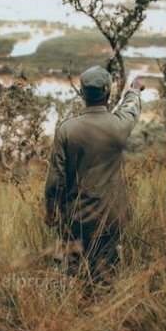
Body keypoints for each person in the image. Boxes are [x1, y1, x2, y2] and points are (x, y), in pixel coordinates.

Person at [44, 65, 144, 281]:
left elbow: (56, 178)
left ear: (81, 93)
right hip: (111, 215)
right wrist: (134, 90)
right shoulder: (118, 125)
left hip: (76, 216)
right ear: (107, 92)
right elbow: (131, 109)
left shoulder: (66, 130)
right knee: (107, 272)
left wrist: (51, 211)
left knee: (73, 273)